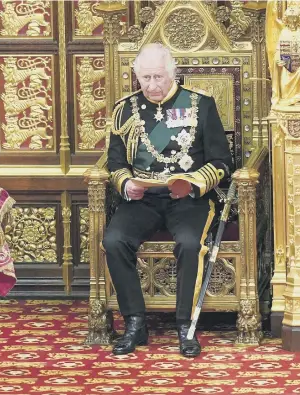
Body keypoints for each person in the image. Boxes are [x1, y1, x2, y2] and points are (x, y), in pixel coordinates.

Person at [103, 44, 232, 358]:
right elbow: (115, 162)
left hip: (188, 199)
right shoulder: (125, 110)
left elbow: (222, 162)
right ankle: (135, 324)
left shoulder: (200, 105)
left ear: (172, 73)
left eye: (158, 77)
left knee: (189, 243)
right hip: (143, 199)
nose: (152, 85)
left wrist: (191, 184)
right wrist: (126, 183)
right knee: (114, 239)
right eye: (145, 78)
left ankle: (184, 326)